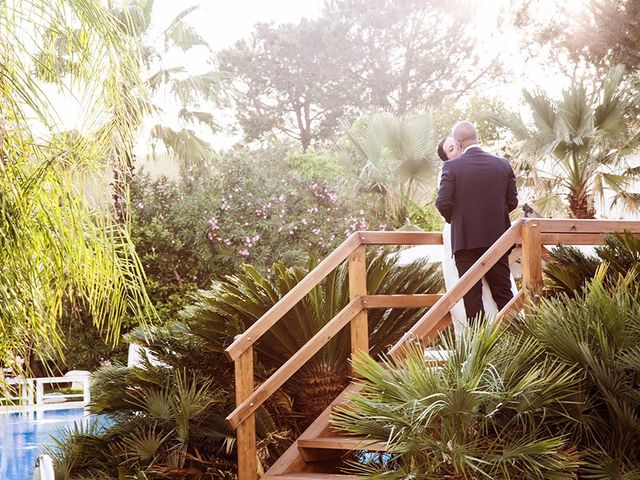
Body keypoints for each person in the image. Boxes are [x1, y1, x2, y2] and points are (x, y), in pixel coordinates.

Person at [436, 122, 518, 324]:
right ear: (477, 136)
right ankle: (518, 341)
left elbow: (443, 203)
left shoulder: (452, 167)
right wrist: (493, 218)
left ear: (458, 142)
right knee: (504, 294)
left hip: (465, 242)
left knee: (472, 299)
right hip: (498, 241)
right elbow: (512, 201)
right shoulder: (503, 165)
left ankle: (481, 349)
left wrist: (460, 221)